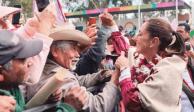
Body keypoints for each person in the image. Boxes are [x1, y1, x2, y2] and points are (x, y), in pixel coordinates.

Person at [25, 12, 120, 112]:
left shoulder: (45, 69)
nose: (78, 54)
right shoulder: (59, 78)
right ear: (55, 51)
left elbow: (76, 79)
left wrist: (101, 75)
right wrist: (114, 81)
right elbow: (98, 106)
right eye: (73, 48)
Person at [115, 18, 186, 112]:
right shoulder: (160, 63)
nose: (135, 38)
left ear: (154, 42)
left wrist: (124, 69)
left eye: (140, 34)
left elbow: (133, 102)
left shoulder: (168, 68)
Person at [0, 30, 43, 112]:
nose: (30, 63)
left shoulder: (11, 86)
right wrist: (68, 106)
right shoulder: (4, 106)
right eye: (23, 59)